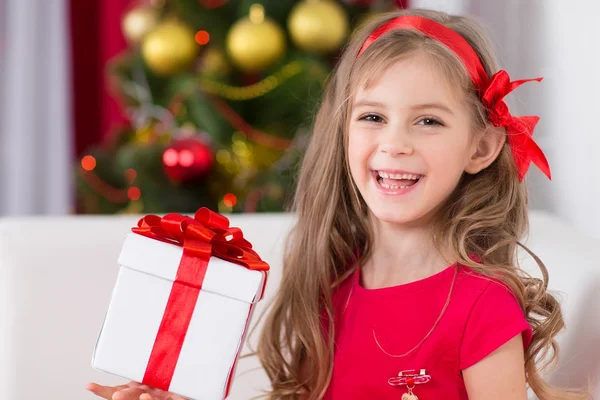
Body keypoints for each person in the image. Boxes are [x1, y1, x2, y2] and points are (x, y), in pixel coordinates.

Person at [87, 8, 589, 400]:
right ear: (344, 131)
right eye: (373, 117)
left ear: (481, 147)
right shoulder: (328, 287)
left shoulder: (483, 309)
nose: (395, 144)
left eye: (428, 121)